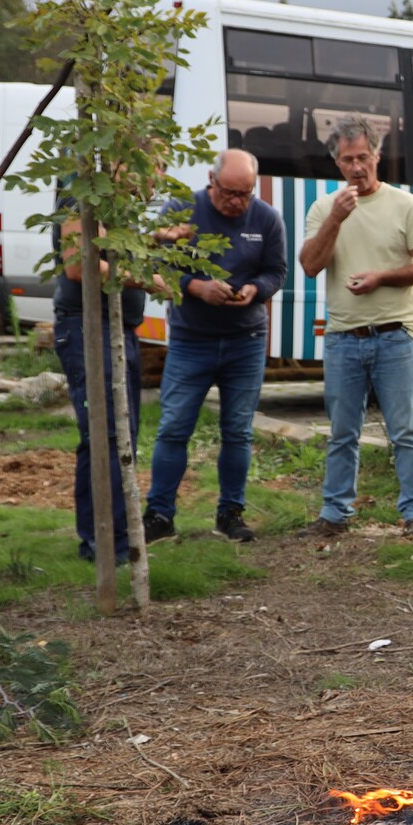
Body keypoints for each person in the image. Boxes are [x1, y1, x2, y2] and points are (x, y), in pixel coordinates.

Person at [300, 116, 413, 540]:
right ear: (337, 163)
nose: (357, 167)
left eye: (363, 157)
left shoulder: (404, 205)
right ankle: (334, 513)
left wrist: (382, 277)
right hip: (343, 338)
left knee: (405, 430)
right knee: (342, 433)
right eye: (348, 160)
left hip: (395, 334)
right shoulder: (324, 208)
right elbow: (310, 266)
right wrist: (335, 220)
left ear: (377, 155)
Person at [141, 150, 287, 544]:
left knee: (238, 431)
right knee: (174, 427)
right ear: (211, 180)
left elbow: (276, 271)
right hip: (192, 338)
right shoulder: (182, 211)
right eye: (229, 193)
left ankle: (230, 514)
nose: (236, 202)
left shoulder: (267, 218)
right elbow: (158, 263)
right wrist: (196, 287)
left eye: (245, 194)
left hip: (246, 340)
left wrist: (256, 289)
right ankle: (159, 515)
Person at [48, 205, 146, 567]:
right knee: (108, 435)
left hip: (119, 328)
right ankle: (109, 542)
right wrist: (147, 277)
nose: (153, 180)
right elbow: (79, 267)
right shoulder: (82, 204)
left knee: (117, 436)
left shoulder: (120, 209)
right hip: (89, 327)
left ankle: (105, 538)